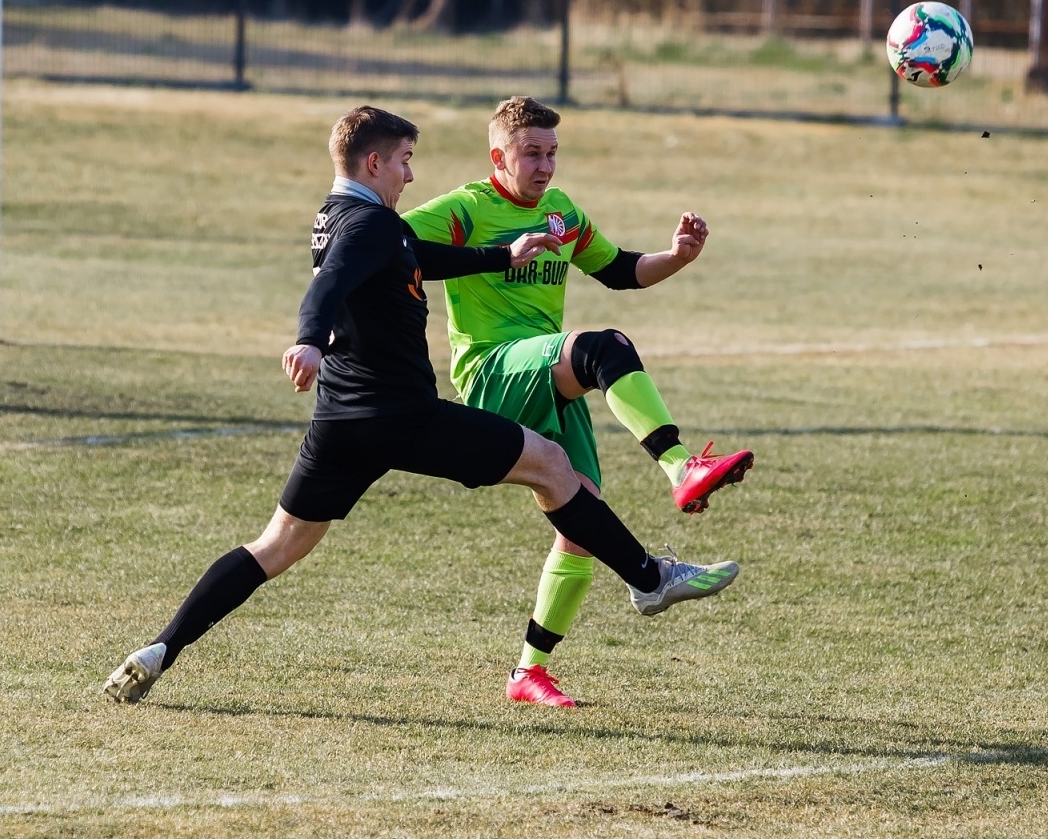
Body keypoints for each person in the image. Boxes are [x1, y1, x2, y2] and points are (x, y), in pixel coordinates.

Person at [103, 106, 740, 704]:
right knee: (551, 463)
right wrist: (307, 339)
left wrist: (501, 255)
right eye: (405, 159)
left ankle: (162, 648)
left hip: (339, 422)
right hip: (402, 416)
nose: (412, 173)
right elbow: (326, 287)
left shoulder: (343, 219)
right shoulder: (374, 224)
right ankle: (650, 578)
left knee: (276, 546)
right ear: (373, 163)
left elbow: (414, 257)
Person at [402, 96, 753, 709]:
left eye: (552, 152)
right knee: (604, 348)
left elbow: (617, 269)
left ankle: (528, 673)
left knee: (581, 522)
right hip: (494, 371)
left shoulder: (561, 213)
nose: (544, 165)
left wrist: (676, 257)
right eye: (530, 153)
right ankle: (680, 468)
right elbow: (390, 244)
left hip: (546, 369)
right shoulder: (466, 209)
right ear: (499, 156)